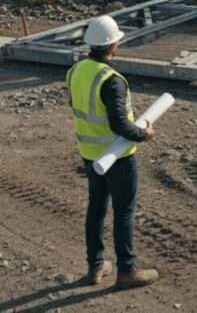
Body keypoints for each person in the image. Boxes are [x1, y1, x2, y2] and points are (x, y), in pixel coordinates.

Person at [68, 15, 159, 290]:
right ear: (113, 45)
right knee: (124, 214)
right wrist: (144, 134)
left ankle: (96, 268)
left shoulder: (76, 71)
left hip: (90, 154)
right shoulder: (111, 79)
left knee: (96, 209)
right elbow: (119, 124)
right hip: (117, 158)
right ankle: (127, 271)